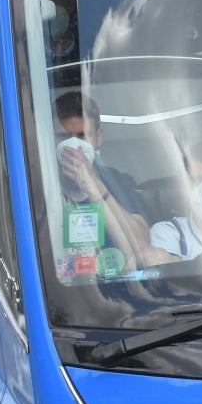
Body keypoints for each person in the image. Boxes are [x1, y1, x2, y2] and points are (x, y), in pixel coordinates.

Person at [55, 91, 150, 270]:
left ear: (98, 138)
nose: (74, 145)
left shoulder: (119, 183)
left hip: (115, 286)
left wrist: (95, 187)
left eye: (83, 136)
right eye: (64, 136)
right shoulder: (40, 186)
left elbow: (142, 246)